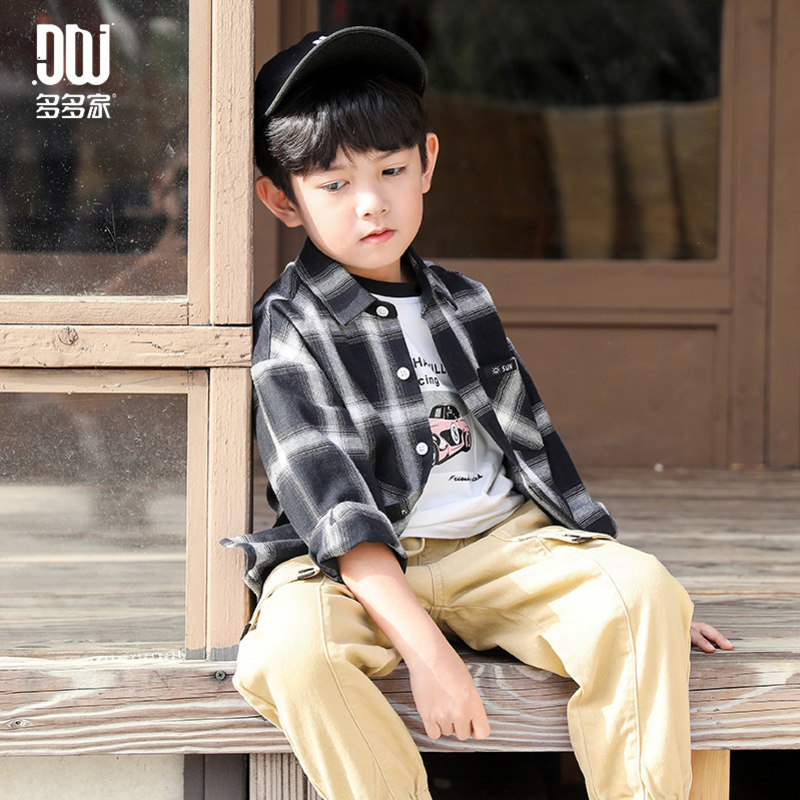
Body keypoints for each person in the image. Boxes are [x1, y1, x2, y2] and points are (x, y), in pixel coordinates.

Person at [223, 26, 732, 800]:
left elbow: (536, 453)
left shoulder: (464, 301)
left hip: (500, 548)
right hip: (354, 570)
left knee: (642, 593)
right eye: (333, 184)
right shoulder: (290, 326)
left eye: (391, 170)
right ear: (281, 199)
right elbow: (335, 512)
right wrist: (429, 655)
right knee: (291, 654)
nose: (371, 203)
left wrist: (628, 601)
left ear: (427, 162)